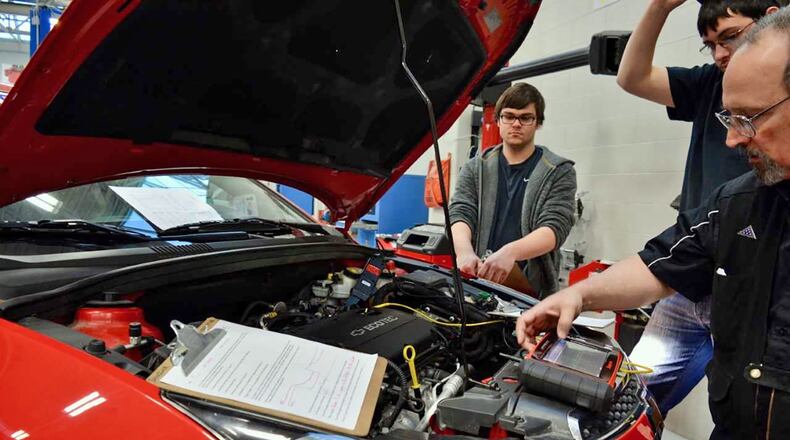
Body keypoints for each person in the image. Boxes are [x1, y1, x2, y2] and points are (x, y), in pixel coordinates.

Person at [517, 9, 790, 437]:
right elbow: (660, 264)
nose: (734, 139)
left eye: (749, 118)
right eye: (728, 118)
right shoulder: (740, 203)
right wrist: (576, 296)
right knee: (629, 395)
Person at [615, 0, 780, 414]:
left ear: (773, 18)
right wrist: (659, 8)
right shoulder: (711, 83)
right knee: (625, 401)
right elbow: (631, 77)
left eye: (731, 36)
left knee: (750, 408)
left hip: (756, 283)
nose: (722, 54)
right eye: (710, 45)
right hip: (692, 274)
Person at [448, 83, 576, 298]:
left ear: (538, 123)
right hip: (480, 284)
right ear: (498, 120)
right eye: (509, 116)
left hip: (531, 292)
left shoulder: (558, 171)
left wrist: (511, 252)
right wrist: (464, 252)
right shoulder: (475, 167)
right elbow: (461, 212)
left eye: (526, 118)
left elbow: (555, 227)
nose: (516, 124)